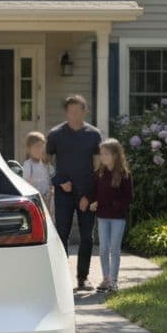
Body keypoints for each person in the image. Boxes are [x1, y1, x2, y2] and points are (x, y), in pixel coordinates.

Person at [46, 95, 102, 289]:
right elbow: (45, 162)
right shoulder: (55, 135)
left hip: (86, 194)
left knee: (87, 237)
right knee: (62, 234)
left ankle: (82, 278)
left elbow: (98, 167)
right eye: (70, 112)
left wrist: (89, 195)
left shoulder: (93, 135)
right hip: (64, 193)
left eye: (77, 112)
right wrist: (59, 181)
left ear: (84, 111)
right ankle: (60, 280)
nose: (73, 115)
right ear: (66, 113)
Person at [90, 138, 133, 292]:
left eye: (106, 154)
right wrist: (93, 202)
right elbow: (95, 193)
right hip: (102, 217)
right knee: (103, 249)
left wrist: (114, 206)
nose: (102, 157)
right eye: (101, 154)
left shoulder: (124, 174)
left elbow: (128, 198)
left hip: (117, 219)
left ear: (115, 155)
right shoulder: (99, 174)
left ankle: (114, 281)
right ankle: (106, 278)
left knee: (114, 249)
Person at [22, 131, 54, 211]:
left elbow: (52, 181)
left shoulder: (47, 166)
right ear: (29, 149)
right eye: (36, 146)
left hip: (48, 201)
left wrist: (52, 190)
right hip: (35, 201)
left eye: (41, 146)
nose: (39, 149)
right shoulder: (28, 165)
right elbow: (26, 184)